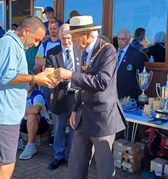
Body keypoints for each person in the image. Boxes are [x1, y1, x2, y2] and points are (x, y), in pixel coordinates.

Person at [0, 16, 53, 179]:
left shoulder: (10, 44)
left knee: (0, 161)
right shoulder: (10, 44)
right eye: (36, 39)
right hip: (2, 116)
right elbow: (7, 76)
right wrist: (35, 78)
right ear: (26, 31)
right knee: (6, 163)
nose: (36, 44)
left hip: (2, 114)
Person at [54, 15, 127, 179]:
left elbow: (102, 82)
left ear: (87, 33)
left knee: (104, 168)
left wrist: (71, 75)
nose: (72, 41)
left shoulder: (108, 50)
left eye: (74, 36)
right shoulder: (82, 50)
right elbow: (83, 84)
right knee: (76, 163)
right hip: (83, 114)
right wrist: (75, 109)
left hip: (102, 117)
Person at [46, 24, 81, 170]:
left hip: (77, 97)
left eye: (68, 38)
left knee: (74, 127)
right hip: (59, 95)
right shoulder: (52, 53)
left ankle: (71, 156)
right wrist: (51, 80)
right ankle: (58, 156)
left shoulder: (80, 51)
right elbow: (49, 73)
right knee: (59, 127)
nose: (66, 41)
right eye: (62, 38)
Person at [19, 83, 50, 160]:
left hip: (42, 124)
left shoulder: (37, 95)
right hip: (25, 123)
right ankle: (17, 141)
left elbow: (35, 110)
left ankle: (31, 146)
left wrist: (18, 110)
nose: (25, 86)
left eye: (28, 84)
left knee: (32, 115)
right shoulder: (20, 94)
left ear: (33, 84)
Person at [116, 29, 145, 100]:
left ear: (129, 40)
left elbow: (140, 77)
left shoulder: (136, 55)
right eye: (119, 39)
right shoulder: (112, 52)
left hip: (127, 96)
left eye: (123, 39)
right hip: (112, 94)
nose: (120, 41)